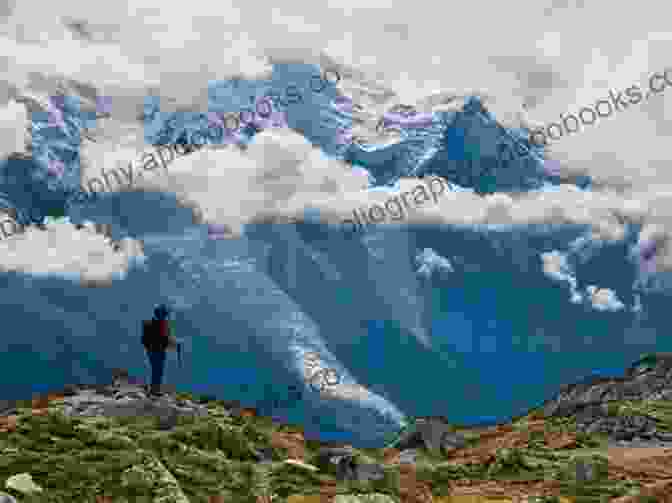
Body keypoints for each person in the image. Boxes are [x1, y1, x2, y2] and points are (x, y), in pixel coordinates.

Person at [141, 304, 177, 397]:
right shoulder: (163, 325)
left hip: (150, 350)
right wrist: (174, 345)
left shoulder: (148, 323)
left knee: (155, 370)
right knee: (158, 371)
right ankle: (155, 391)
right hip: (159, 351)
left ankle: (154, 390)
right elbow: (167, 339)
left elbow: (144, 340)